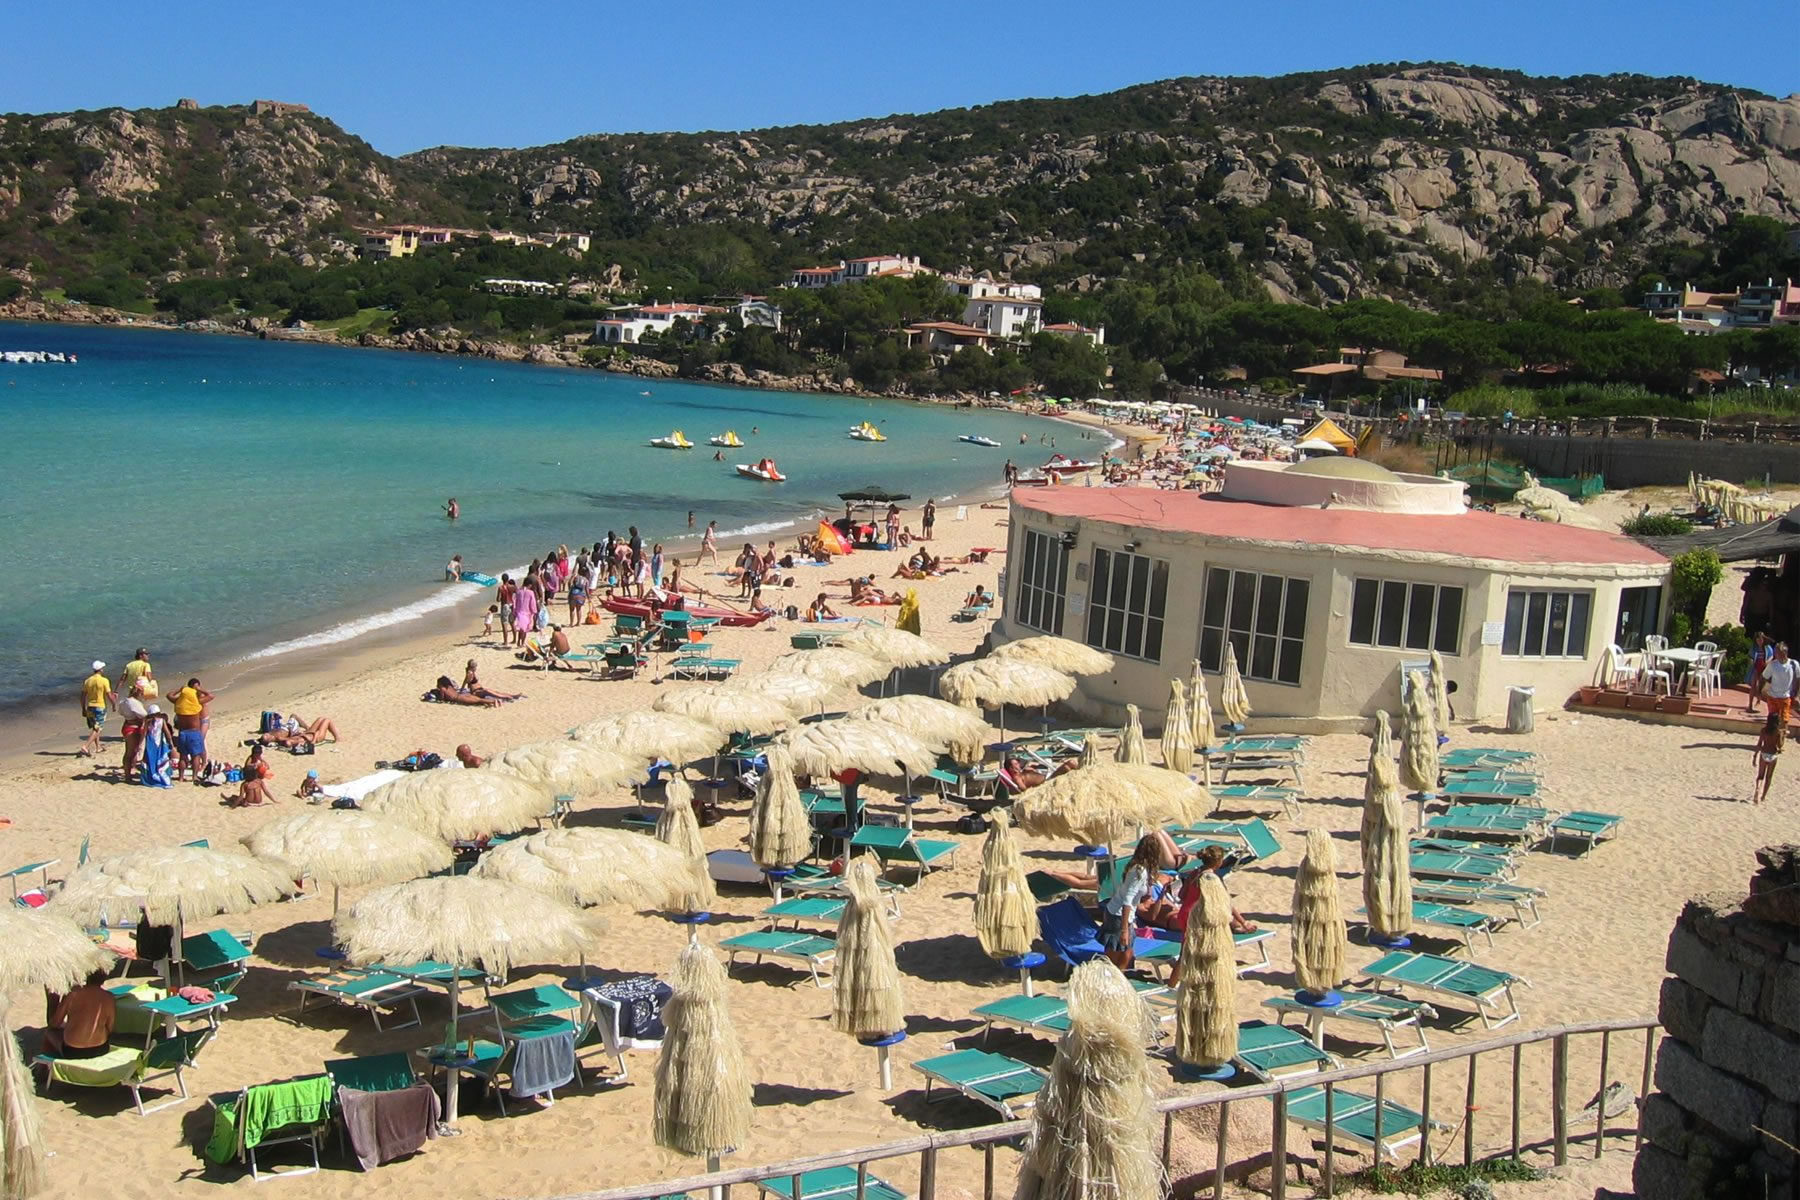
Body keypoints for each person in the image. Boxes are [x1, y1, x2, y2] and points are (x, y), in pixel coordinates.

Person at [43, 970, 116, 1059]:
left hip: (73, 1051)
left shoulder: (73, 994)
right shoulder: (109, 997)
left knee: (49, 1032)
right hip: (101, 1048)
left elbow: (55, 1023)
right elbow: (110, 1028)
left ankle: (43, 1068)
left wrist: (53, 1001)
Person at [168, 677, 214, 783]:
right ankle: (194, 776)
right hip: (194, 731)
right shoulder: (197, 701)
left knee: (183, 756)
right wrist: (198, 689)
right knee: (195, 755)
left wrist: (179, 690)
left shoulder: (178, 702)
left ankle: (180, 777)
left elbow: (169, 695)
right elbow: (211, 695)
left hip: (183, 732)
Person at [119, 676, 151, 781]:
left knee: (130, 751)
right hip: (133, 728)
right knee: (130, 752)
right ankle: (128, 775)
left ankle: (128, 772)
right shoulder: (134, 703)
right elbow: (144, 715)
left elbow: (121, 712)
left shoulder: (124, 701)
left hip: (127, 725)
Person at [78, 660, 113, 757]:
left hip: (90, 706)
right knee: (97, 729)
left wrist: (83, 708)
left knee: (95, 727)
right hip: (100, 706)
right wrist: (114, 704)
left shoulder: (88, 681)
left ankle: (98, 747)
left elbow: (82, 696)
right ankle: (85, 746)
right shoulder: (104, 680)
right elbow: (109, 695)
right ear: (100, 669)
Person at [1761, 642, 1797, 733]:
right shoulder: (1773, 665)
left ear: (1785, 653)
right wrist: (1760, 691)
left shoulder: (1793, 665)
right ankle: (1772, 740)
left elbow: (1798, 680)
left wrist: (1796, 695)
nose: (1777, 655)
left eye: (1779, 653)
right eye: (1776, 653)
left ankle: (1781, 739)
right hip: (1772, 696)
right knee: (1773, 719)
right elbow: (1764, 677)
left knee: (1784, 719)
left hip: (1785, 697)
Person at [1754, 712, 1783, 805]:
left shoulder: (1764, 730)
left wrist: (1755, 756)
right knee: (1769, 777)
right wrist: (1783, 736)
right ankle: (1763, 797)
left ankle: (1757, 790)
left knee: (1760, 776)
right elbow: (1780, 745)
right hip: (1773, 754)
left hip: (1763, 753)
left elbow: (1759, 744)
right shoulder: (1778, 732)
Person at [433, 675, 500, 708]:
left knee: (478, 701)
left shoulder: (442, 688)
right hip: (462, 695)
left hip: (459, 698)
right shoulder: (450, 686)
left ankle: (493, 701)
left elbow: (442, 698)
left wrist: (440, 700)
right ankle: (491, 702)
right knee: (478, 700)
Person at [1748, 632, 1774, 713]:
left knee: (1762, 687)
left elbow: (1772, 656)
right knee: (1753, 686)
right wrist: (1751, 661)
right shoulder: (1754, 648)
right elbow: (1750, 657)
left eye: (1761, 639)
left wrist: (1767, 661)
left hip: (1764, 669)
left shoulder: (1767, 648)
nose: (1759, 641)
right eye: (1758, 639)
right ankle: (1750, 705)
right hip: (1756, 669)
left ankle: (1760, 701)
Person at [496, 574, 518, 647]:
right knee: (512, 623)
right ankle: (515, 639)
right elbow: (517, 593)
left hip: (505, 605)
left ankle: (506, 642)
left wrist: (502, 597)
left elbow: (498, 599)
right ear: (508, 579)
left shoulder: (501, 588)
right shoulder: (512, 587)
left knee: (505, 624)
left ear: (502, 579)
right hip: (511, 605)